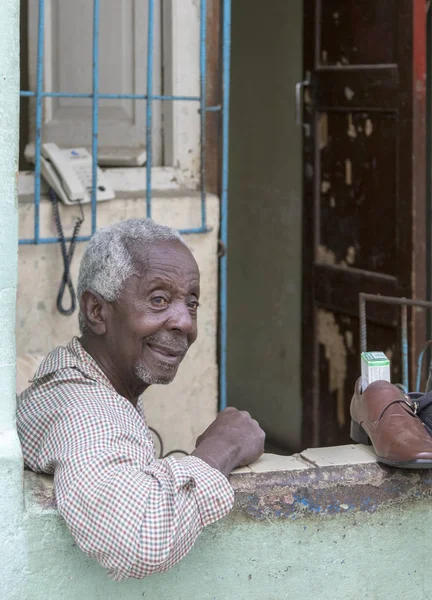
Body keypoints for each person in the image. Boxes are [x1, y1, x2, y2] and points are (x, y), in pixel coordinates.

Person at [17, 218, 265, 581]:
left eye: (191, 303)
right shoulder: (85, 412)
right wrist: (219, 449)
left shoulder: (86, 379)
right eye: (159, 299)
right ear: (96, 311)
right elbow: (136, 539)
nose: (184, 322)